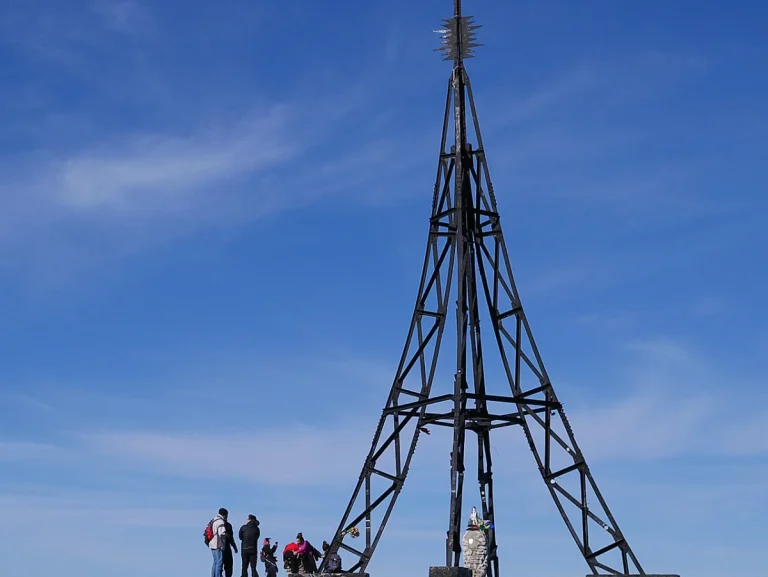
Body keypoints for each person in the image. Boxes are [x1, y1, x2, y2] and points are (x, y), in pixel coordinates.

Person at [208, 508, 230, 577]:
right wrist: (227, 535)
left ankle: (213, 575)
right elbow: (222, 533)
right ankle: (218, 575)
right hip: (218, 544)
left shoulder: (213, 519)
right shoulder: (220, 521)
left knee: (215, 562)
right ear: (225, 515)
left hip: (211, 543)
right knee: (219, 562)